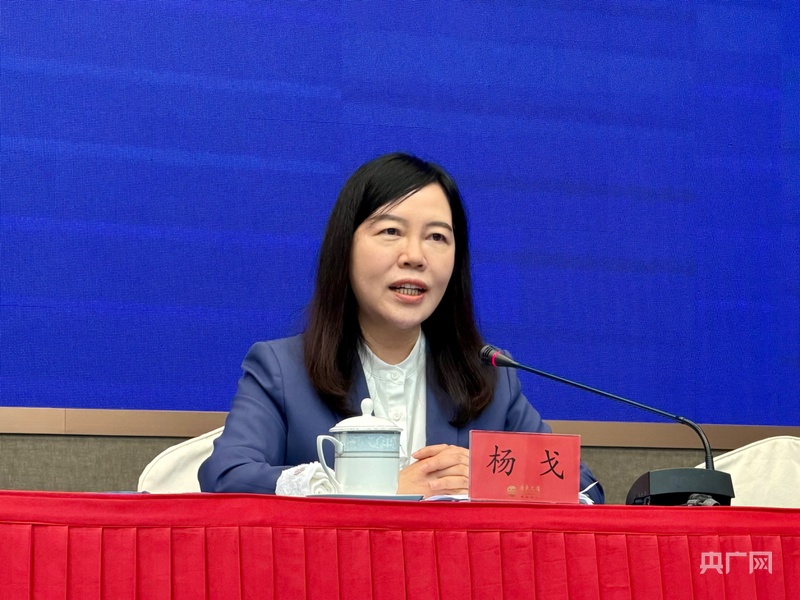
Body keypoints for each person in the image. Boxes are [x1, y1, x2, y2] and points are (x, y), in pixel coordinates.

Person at [199, 152, 604, 502]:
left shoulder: (489, 379)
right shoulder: (281, 370)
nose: (415, 256)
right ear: (345, 247)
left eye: (437, 237)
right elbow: (226, 476)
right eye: (391, 231)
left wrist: (488, 479)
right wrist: (378, 488)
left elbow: (585, 489)